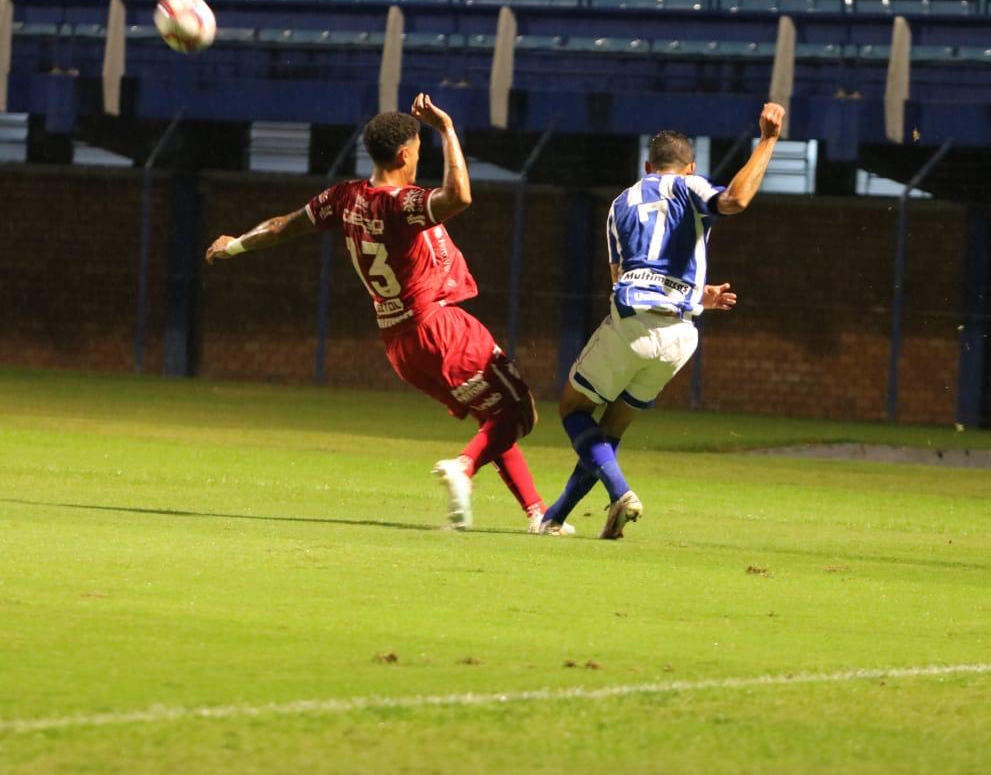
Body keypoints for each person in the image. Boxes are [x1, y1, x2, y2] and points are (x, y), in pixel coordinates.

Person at [205, 94, 546, 532]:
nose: (421, 159)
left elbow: (283, 226)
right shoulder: (401, 203)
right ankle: (463, 467)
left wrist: (234, 245)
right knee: (521, 414)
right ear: (405, 154)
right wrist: (447, 131)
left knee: (491, 418)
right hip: (437, 325)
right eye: (420, 152)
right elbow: (459, 196)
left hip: (400, 344)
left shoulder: (345, 198)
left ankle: (540, 515)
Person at [540, 101, 786, 539]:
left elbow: (620, 278)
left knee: (574, 408)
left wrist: (767, 139)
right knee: (611, 427)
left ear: (647, 165)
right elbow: (733, 200)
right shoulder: (693, 187)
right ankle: (556, 516)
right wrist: (767, 139)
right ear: (690, 166)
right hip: (681, 336)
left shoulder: (621, 203)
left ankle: (620, 493)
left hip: (633, 321)